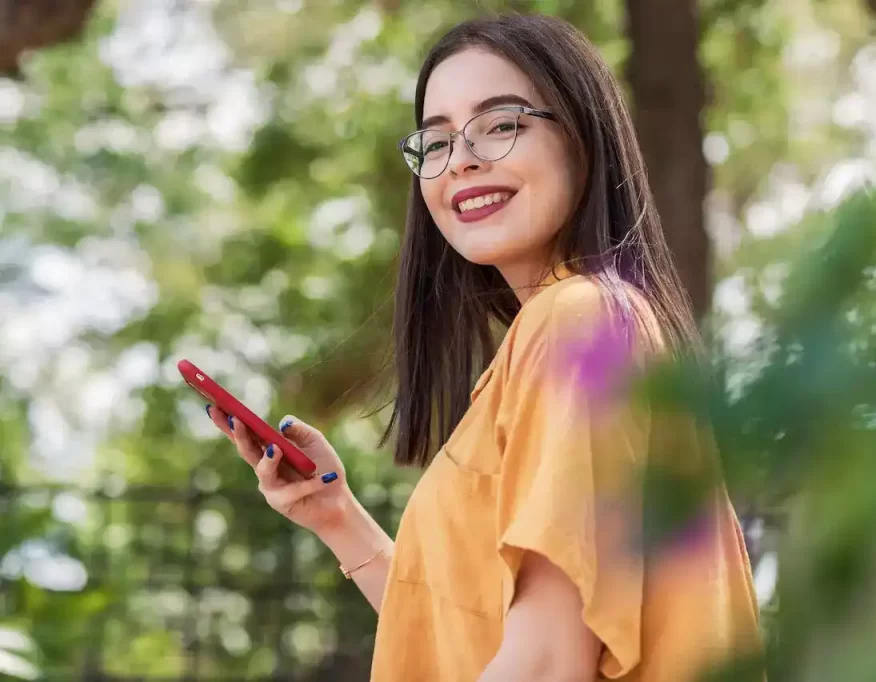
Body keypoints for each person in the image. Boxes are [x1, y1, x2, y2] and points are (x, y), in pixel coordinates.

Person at [208, 13, 761, 682]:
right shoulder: (570, 333)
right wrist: (338, 520)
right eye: (435, 142)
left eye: (501, 125)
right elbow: (472, 632)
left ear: (584, 140)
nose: (462, 159)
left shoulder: (579, 325)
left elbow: (549, 661)